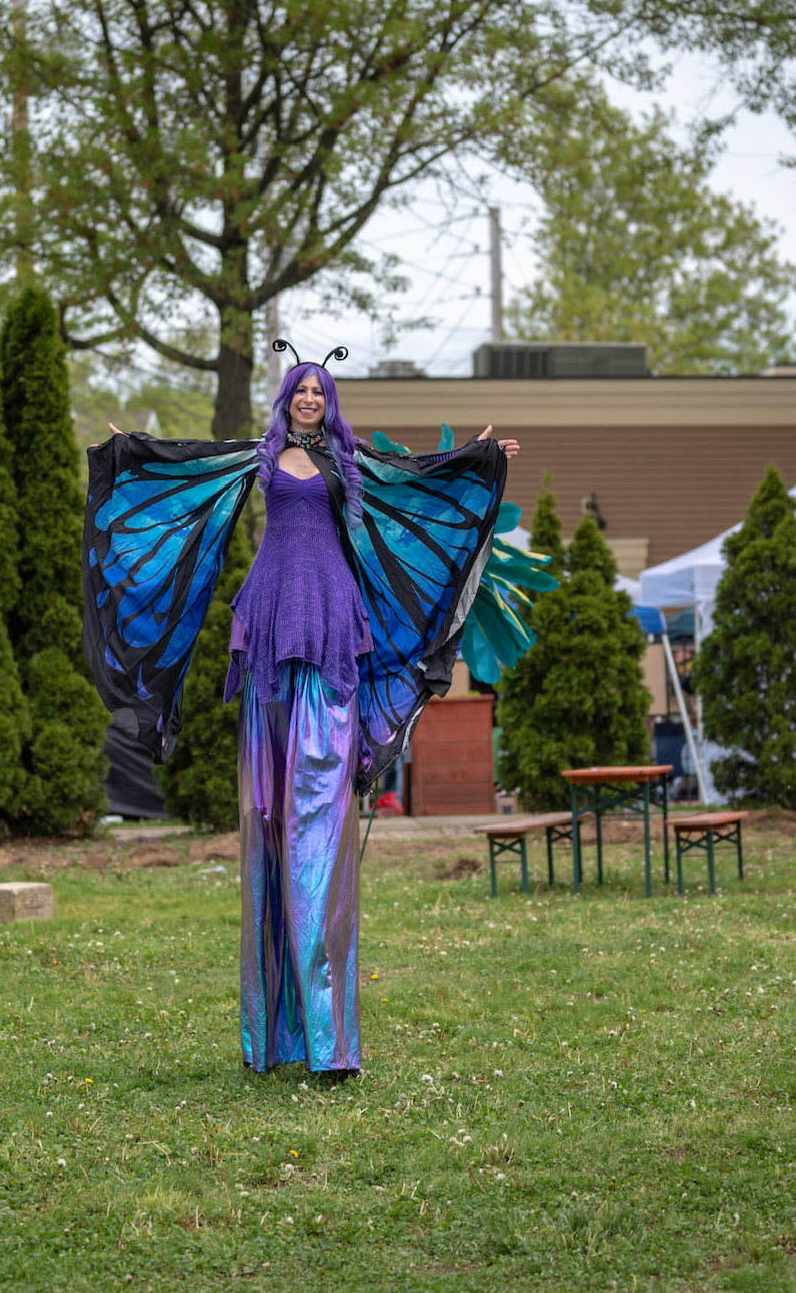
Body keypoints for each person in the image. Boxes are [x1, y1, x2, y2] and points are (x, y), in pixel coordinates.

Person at [83, 359, 519, 1075]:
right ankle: (274, 1038)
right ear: (286, 401)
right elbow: (188, 467)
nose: (311, 399)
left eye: (321, 391)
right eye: (302, 390)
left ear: (329, 403)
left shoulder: (350, 463)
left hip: (330, 637)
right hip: (267, 641)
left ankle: (329, 1042)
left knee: (319, 825)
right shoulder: (257, 459)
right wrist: (132, 449)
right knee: (267, 827)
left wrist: (477, 458)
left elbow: (414, 478)